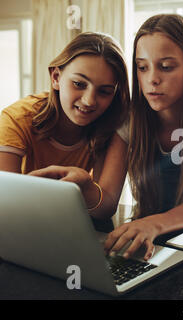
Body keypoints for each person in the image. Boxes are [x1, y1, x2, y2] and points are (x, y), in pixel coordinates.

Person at [34, 14, 183, 260]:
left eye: (166, 66)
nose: (152, 78)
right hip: (145, 240)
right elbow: (106, 203)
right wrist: (85, 187)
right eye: (142, 67)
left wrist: (152, 225)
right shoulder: (130, 120)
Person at [0, 32, 130, 223]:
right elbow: (6, 204)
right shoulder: (16, 119)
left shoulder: (113, 123)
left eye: (104, 91)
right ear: (56, 77)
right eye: (79, 84)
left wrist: (86, 186)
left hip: (64, 222)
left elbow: (106, 207)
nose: (89, 101)